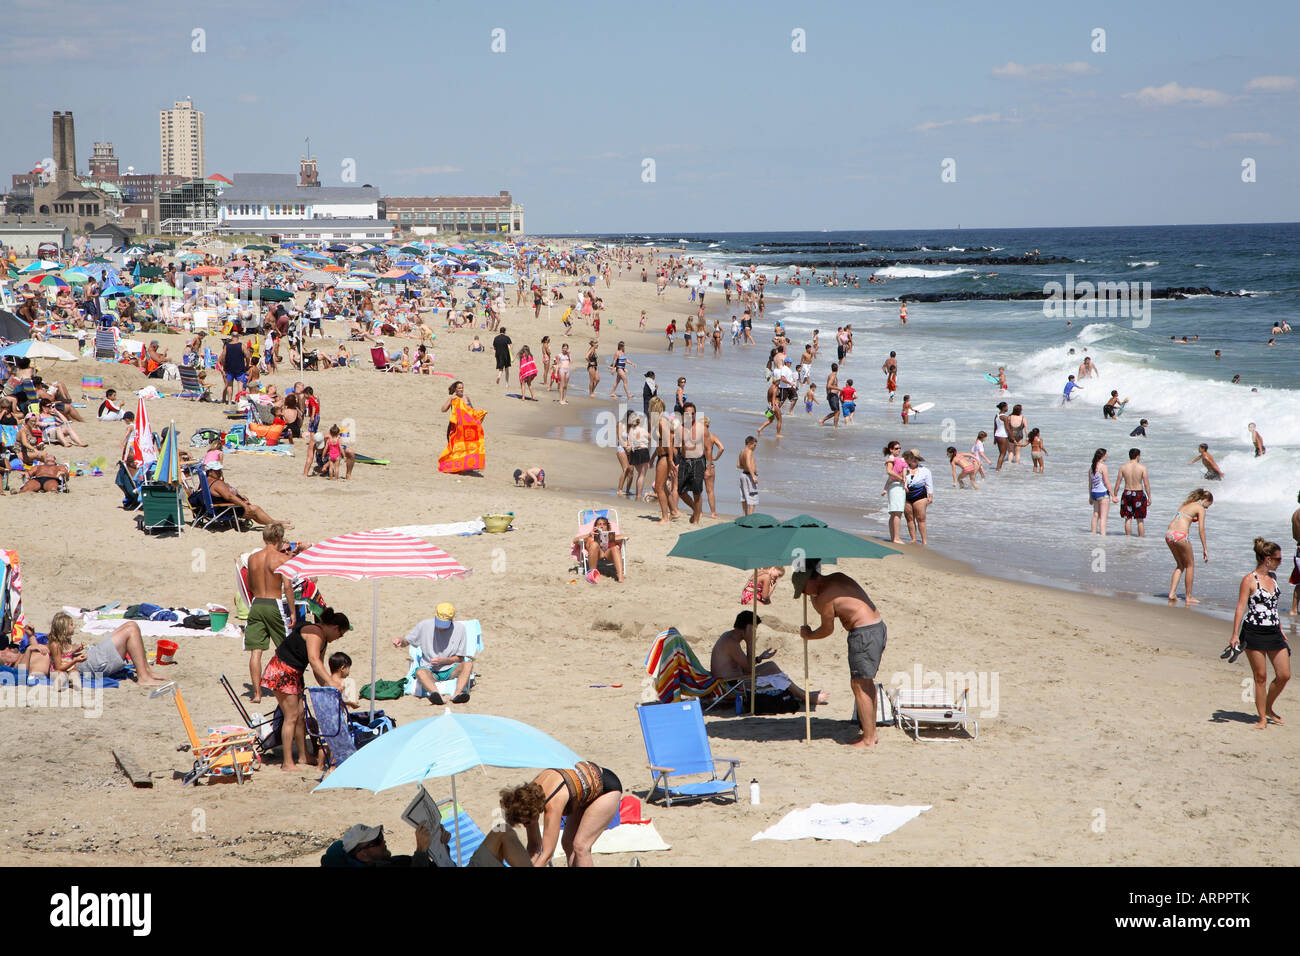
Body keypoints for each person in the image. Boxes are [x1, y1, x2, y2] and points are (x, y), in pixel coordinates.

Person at [795, 562, 887, 748]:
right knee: (865, 683)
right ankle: (872, 734)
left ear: (812, 580)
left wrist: (809, 635)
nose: (804, 593)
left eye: (803, 588)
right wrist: (813, 595)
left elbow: (827, 629)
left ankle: (868, 739)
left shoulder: (825, 598)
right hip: (877, 627)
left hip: (863, 634)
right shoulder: (837, 577)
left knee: (859, 685)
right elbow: (824, 601)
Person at [261, 608, 351, 771]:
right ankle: (287, 762)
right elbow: (313, 660)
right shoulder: (315, 633)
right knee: (291, 716)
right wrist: (331, 682)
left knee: (301, 715)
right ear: (335, 628)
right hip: (282, 671)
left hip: (294, 674)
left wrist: (327, 688)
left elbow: (318, 668)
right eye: (340, 634)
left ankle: (303, 756)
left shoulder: (323, 640)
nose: (339, 638)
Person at [499, 761, 622, 867]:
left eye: (526, 822)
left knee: (581, 846)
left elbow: (547, 854)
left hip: (606, 789)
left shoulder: (552, 805)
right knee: (567, 843)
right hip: (583, 792)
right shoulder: (527, 797)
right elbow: (534, 846)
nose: (526, 826)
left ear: (533, 812)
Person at [1229, 538, 1291, 729]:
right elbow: (1240, 607)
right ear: (1267, 559)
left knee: (1284, 675)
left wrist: (1280, 628)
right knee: (1260, 676)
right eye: (1278, 559)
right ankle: (1262, 717)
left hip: (1273, 632)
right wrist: (1234, 635)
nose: (1280, 563)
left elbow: (1272, 606)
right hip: (1254, 632)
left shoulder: (1273, 578)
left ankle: (1269, 707)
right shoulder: (1249, 580)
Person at [711, 610, 828, 706]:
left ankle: (803, 694)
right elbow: (749, 670)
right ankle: (805, 696)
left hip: (736, 680)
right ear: (747, 627)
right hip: (731, 685)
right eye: (753, 629)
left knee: (771, 667)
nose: (754, 632)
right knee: (773, 671)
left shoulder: (729, 637)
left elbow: (745, 666)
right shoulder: (731, 643)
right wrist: (750, 642)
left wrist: (758, 659)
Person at [244, 522, 300, 703]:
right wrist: (292, 612)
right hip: (274, 603)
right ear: (279, 539)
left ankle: (257, 694)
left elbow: (251, 584)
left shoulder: (253, 558)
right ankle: (289, 686)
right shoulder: (282, 559)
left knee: (255, 651)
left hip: (256, 603)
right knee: (286, 647)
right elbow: (288, 587)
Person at [321, 822, 532, 868]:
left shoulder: (388, 862)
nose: (383, 842)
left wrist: (441, 846)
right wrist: (421, 851)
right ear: (362, 855)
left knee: (502, 831)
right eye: (377, 842)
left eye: (381, 836)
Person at [43, 613, 164, 687]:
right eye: (71, 624)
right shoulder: (55, 644)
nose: (74, 626)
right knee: (131, 630)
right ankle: (143, 677)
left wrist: (75, 650)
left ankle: (146, 670)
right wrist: (75, 659)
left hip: (91, 656)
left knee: (131, 624)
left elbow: (65, 654)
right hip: (91, 664)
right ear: (63, 629)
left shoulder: (63, 640)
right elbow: (59, 666)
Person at [392, 603, 474, 704]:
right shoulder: (424, 625)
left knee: (468, 664)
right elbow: (407, 641)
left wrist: (443, 661)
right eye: (439, 622)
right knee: (420, 672)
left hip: (450, 669)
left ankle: (457, 694)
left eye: (444, 624)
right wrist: (400, 640)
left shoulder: (460, 629)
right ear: (435, 616)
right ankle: (437, 696)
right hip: (430, 670)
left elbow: (460, 658)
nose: (441, 627)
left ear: (452, 620)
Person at [1165, 489, 1213, 605]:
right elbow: (1201, 530)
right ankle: (1188, 596)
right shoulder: (1200, 508)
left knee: (1180, 565)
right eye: (1208, 505)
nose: (1207, 508)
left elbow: (1184, 518)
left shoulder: (1186, 504)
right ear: (1205, 500)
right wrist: (1205, 548)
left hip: (1169, 534)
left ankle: (1172, 593)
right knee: (1190, 565)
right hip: (1181, 536)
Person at [439, 381, 487, 474]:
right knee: (454, 447)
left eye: (462, 388)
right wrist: (450, 400)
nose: (461, 390)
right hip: (455, 428)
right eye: (459, 388)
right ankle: (454, 466)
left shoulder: (467, 398)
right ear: (455, 390)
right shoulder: (453, 399)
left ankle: (466, 465)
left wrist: (481, 413)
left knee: (469, 447)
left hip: (467, 429)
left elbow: (472, 412)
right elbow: (443, 410)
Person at [677, 403, 708, 524]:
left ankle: (696, 520)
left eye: (693, 413)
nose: (690, 416)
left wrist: (709, 465)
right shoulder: (680, 428)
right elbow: (676, 447)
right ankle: (696, 510)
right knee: (680, 491)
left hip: (698, 461)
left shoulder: (702, 428)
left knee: (697, 492)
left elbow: (709, 448)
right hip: (684, 461)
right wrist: (674, 463)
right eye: (687, 414)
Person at [574, 514, 626, 582]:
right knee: (594, 544)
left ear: (607, 526)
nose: (602, 526)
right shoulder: (590, 536)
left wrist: (611, 538)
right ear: (596, 526)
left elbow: (625, 536)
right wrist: (589, 535)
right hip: (596, 554)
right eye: (599, 524)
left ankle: (620, 576)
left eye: (604, 524)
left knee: (615, 548)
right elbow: (575, 540)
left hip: (608, 553)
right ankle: (593, 573)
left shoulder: (612, 535)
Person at [1116, 448, 1151, 537]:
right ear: (1137, 456)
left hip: (1127, 493)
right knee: (1140, 519)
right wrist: (1149, 496)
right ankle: (1141, 539)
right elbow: (1146, 483)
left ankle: (1128, 539)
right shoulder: (1142, 468)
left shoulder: (1123, 467)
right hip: (1138, 493)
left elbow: (1118, 482)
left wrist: (1115, 494)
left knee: (1127, 518)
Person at [902, 450, 933, 546]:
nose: (914, 460)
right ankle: (913, 539)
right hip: (906, 495)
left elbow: (929, 485)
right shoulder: (903, 468)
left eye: (916, 459)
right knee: (909, 518)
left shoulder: (925, 471)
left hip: (920, 495)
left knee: (921, 518)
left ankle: (924, 540)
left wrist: (930, 496)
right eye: (912, 458)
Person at [698, 415, 725, 519]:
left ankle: (699, 512)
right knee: (710, 490)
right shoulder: (712, 436)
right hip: (710, 464)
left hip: (699, 464)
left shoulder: (698, 437)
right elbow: (722, 448)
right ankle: (713, 513)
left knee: (698, 490)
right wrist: (716, 458)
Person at [882, 441, 906, 542]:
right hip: (896, 486)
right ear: (891, 450)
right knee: (897, 512)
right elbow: (889, 471)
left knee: (895, 513)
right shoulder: (891, 459)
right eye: (896, 448)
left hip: (895, 485)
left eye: (899, 448)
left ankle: (894, 537)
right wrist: (900, 477)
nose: (899, 450)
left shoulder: (896, 459)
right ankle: (896, 537)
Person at [1088, 448, 1114, 535]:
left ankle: (1093, 534)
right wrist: (1113, 495)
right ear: (1102, 456)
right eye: (1106, 454)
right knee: (1103, 518)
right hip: (1102, 493)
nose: (1107, 456)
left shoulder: (1091, 468)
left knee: (1095, 515)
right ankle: (1103, 536)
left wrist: (1090, 496)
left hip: (1094, 493)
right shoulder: (1103, 467)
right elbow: (1106, 482)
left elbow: (1090, 484)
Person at [738, 435, 759, 515]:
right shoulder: (749, 451)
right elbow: (748, 463)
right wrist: (753, 475)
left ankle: (745, 515)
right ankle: (750, 517)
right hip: (749, 476)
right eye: (754, 445)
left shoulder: (742, 451)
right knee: (752, 498)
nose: (755, 447)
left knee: (744, 497)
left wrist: (746, 468)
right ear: (749, 444)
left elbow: (738, 465)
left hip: (743, 475)